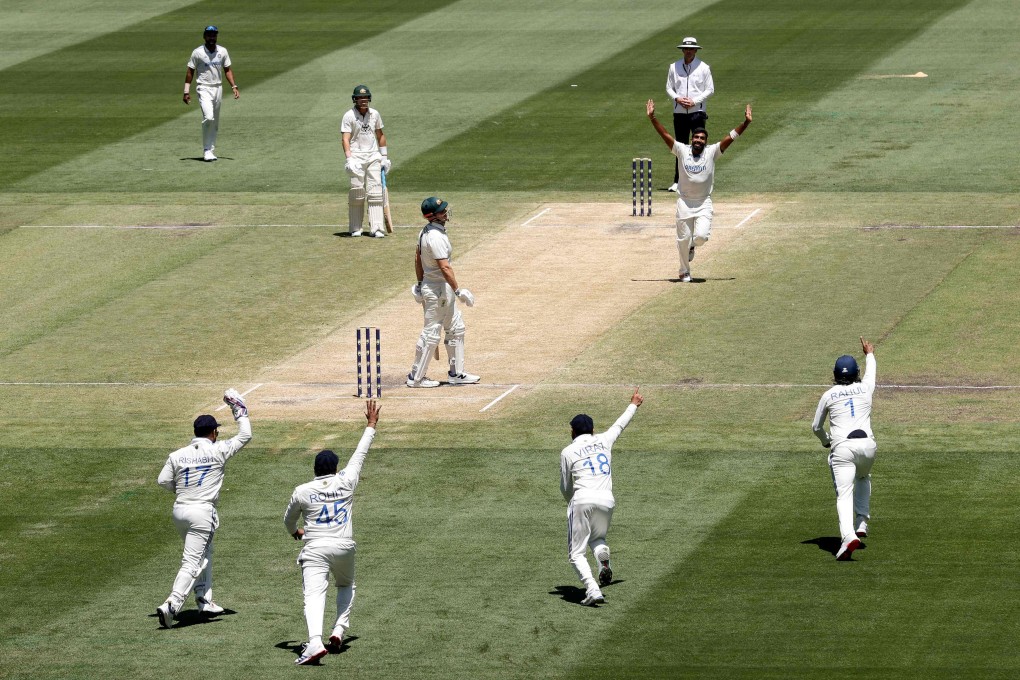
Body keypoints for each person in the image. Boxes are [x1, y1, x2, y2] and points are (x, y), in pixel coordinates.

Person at [283, 400, 380, 666]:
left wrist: (296, 532)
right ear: (335, 469)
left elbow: (288, 519)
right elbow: (360, 454)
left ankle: (314, 643)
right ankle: (338, 631)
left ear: (315, 470)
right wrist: (371, 424)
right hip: (344, 546)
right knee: (346, 584)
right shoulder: (346, 480)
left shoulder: (302, 490)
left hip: (315, 547)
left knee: (314, 595)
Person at [156, 388, 251, 628]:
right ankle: (172, 605)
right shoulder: (218, 450)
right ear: (213, 432)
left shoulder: (177, 455)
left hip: (180, 511)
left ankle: (204, 600)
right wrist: (239, 411)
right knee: (194, 561)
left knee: (203, 554)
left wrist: (184, 491)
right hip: (202, 513)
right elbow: (245, 435)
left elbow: (163, 481)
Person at [646, 98, 752, 282]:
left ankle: (693, 246)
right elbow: (664, 134)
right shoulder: (681, 150)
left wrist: (746, 123)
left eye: (702, 138)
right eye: (696, 138)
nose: (698, 140)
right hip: (685, 202)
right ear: (691, 139)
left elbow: (730, 138)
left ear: (706, 141)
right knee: (682, 240)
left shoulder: (712, 152)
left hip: (703, 202)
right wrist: (653, 117)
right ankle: (684, 271)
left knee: (701, 236)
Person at [560, 388, 643, 606]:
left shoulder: (568, 451)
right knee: (596, 538)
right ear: (593, 430)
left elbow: (565, 486)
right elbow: (619, 425)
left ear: (573, 431)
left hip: (582, 499)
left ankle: (592, 589)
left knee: (576, 554)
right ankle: (602, 557)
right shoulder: (604, 440)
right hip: (607, 501)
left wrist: (572, 503)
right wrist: (633, 404)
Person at [811, 337, 878, 561]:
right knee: (863, 476)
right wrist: (869, 353)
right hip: (868, 446)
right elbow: (871, 375)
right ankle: (862, 522)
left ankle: (848, 536)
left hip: (842, 449)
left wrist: (825, 441)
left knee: (843, 494)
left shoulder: (828, 395)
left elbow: (816, 427)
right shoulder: (865, 389)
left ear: (836, 374)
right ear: (855, 373)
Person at [406, 196, 479, 387]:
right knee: (431, 334)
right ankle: (416, 377)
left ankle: (457, 373)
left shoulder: (426, 232)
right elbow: (444, 267)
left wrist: (420, 282)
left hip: (438, 288)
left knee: (456, 328)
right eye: (442, 211)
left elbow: (417, 258)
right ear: (433, 216)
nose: (446, 213)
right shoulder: (435, 237)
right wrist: (458, 290)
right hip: (437, 290)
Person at [183, 26, 239, 162]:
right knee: (208, 117)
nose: (211, 38)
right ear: (204, 36)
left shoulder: (223, 51)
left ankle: (211, 149)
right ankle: (207, 149)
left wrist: (234, 86)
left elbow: (227, 70)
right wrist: (186, 91)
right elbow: (190, 71)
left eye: (214, 35)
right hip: (203, 87)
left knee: (215, 121)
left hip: (218, 88)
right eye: (209, 35)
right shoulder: (197, 52)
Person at [341, 85, 391, 238]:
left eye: (365, 98)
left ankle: (376, 228)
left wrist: (384, 157)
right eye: (360, 98)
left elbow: (380, 135)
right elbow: (345, 138)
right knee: (357, 191)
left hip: (373, 156)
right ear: (355, 99)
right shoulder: (348, 116)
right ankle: (355, 227)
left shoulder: (375, 114)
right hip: (356, 157)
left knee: (375, 191)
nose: (363, 100)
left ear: (369, 98)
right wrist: (349, 159)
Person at [666, 37, 714, 192]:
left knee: (700, 145)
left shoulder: (704, 67)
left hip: (697, 112)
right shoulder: (674, 67)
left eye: (691, 49)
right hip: (679, 112)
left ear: (695, 50)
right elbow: (669, 88)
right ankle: (678, 181)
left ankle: (702, 178)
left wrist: (694, 101)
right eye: (686, 49)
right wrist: (677, 98)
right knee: (679, 146)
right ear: (683, 50)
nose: (688, 51)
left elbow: (710, 89)